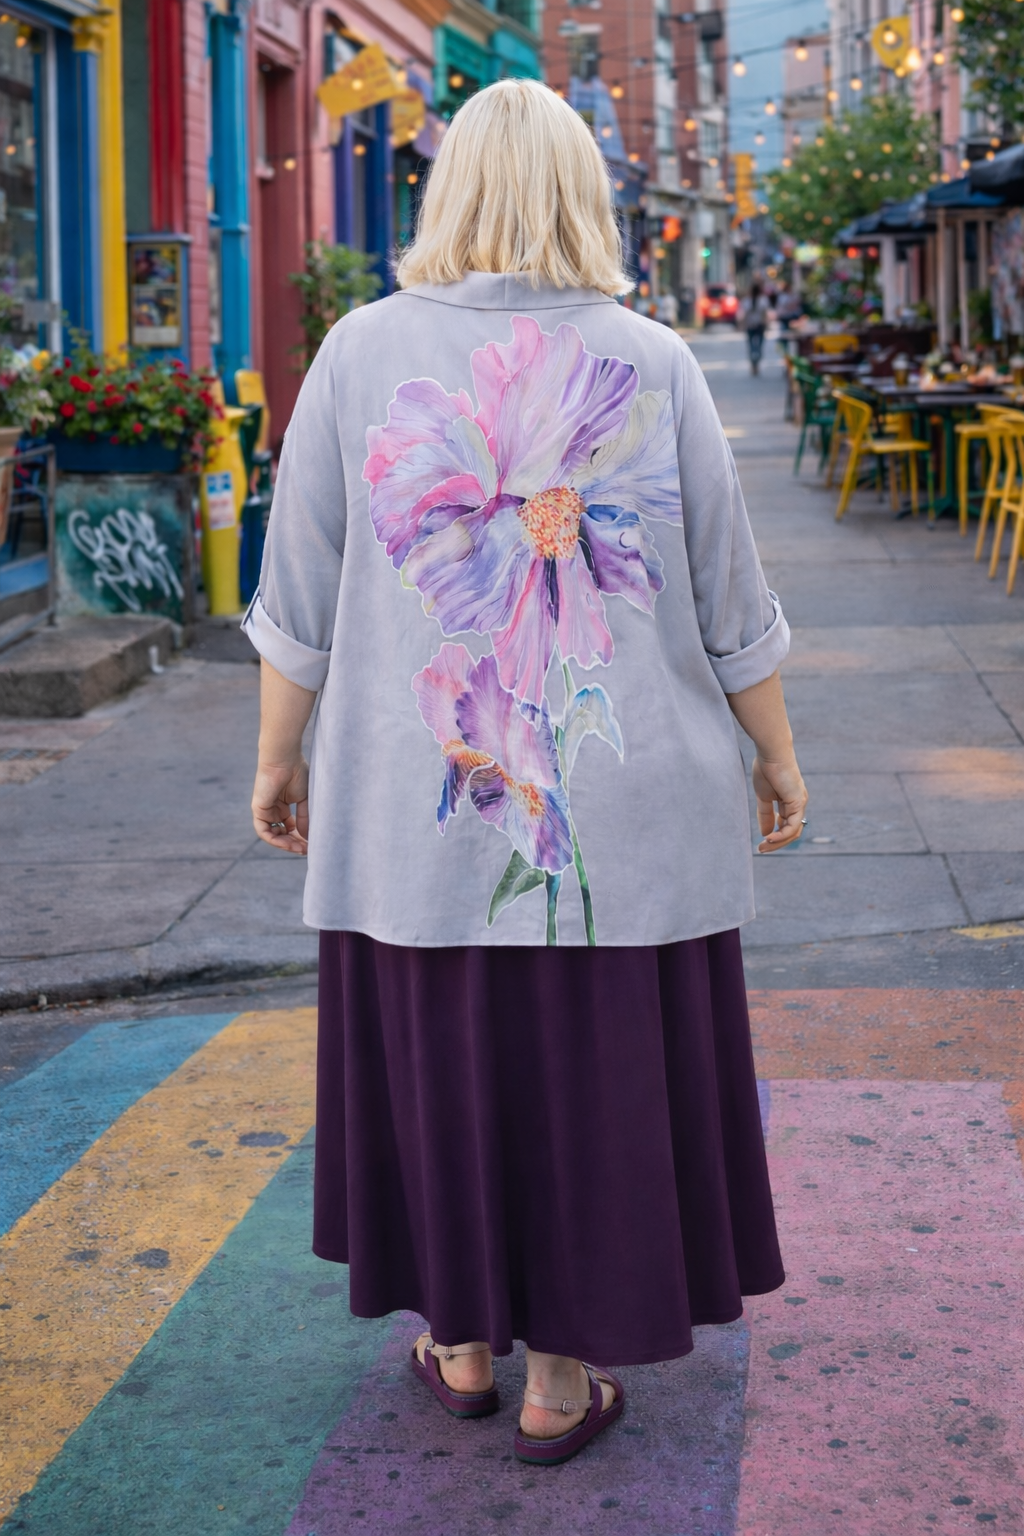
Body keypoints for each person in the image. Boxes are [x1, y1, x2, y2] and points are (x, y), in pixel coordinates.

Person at [244, 78, 807, 1468]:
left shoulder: (358, 349)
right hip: (627, 822)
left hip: (419, 802)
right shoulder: (653, 357)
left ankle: (463, 1344)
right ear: (584, 192)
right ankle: (563, 1376)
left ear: (445, 195)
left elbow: (298, 585)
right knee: (597, 1075)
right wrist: (776, 752)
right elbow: (727, 592)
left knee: (443, 1066)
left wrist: (278, 755)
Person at [742, 282, 771, 374]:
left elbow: (744, 315)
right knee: (759, 346)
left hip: (750, 325)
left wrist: (743, 325)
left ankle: (753, 365)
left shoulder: (747, 300)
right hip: (759, 325)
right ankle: (756, 362)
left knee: (751, 346)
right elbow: (765, 314)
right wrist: (767, 324)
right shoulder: (763, 300)